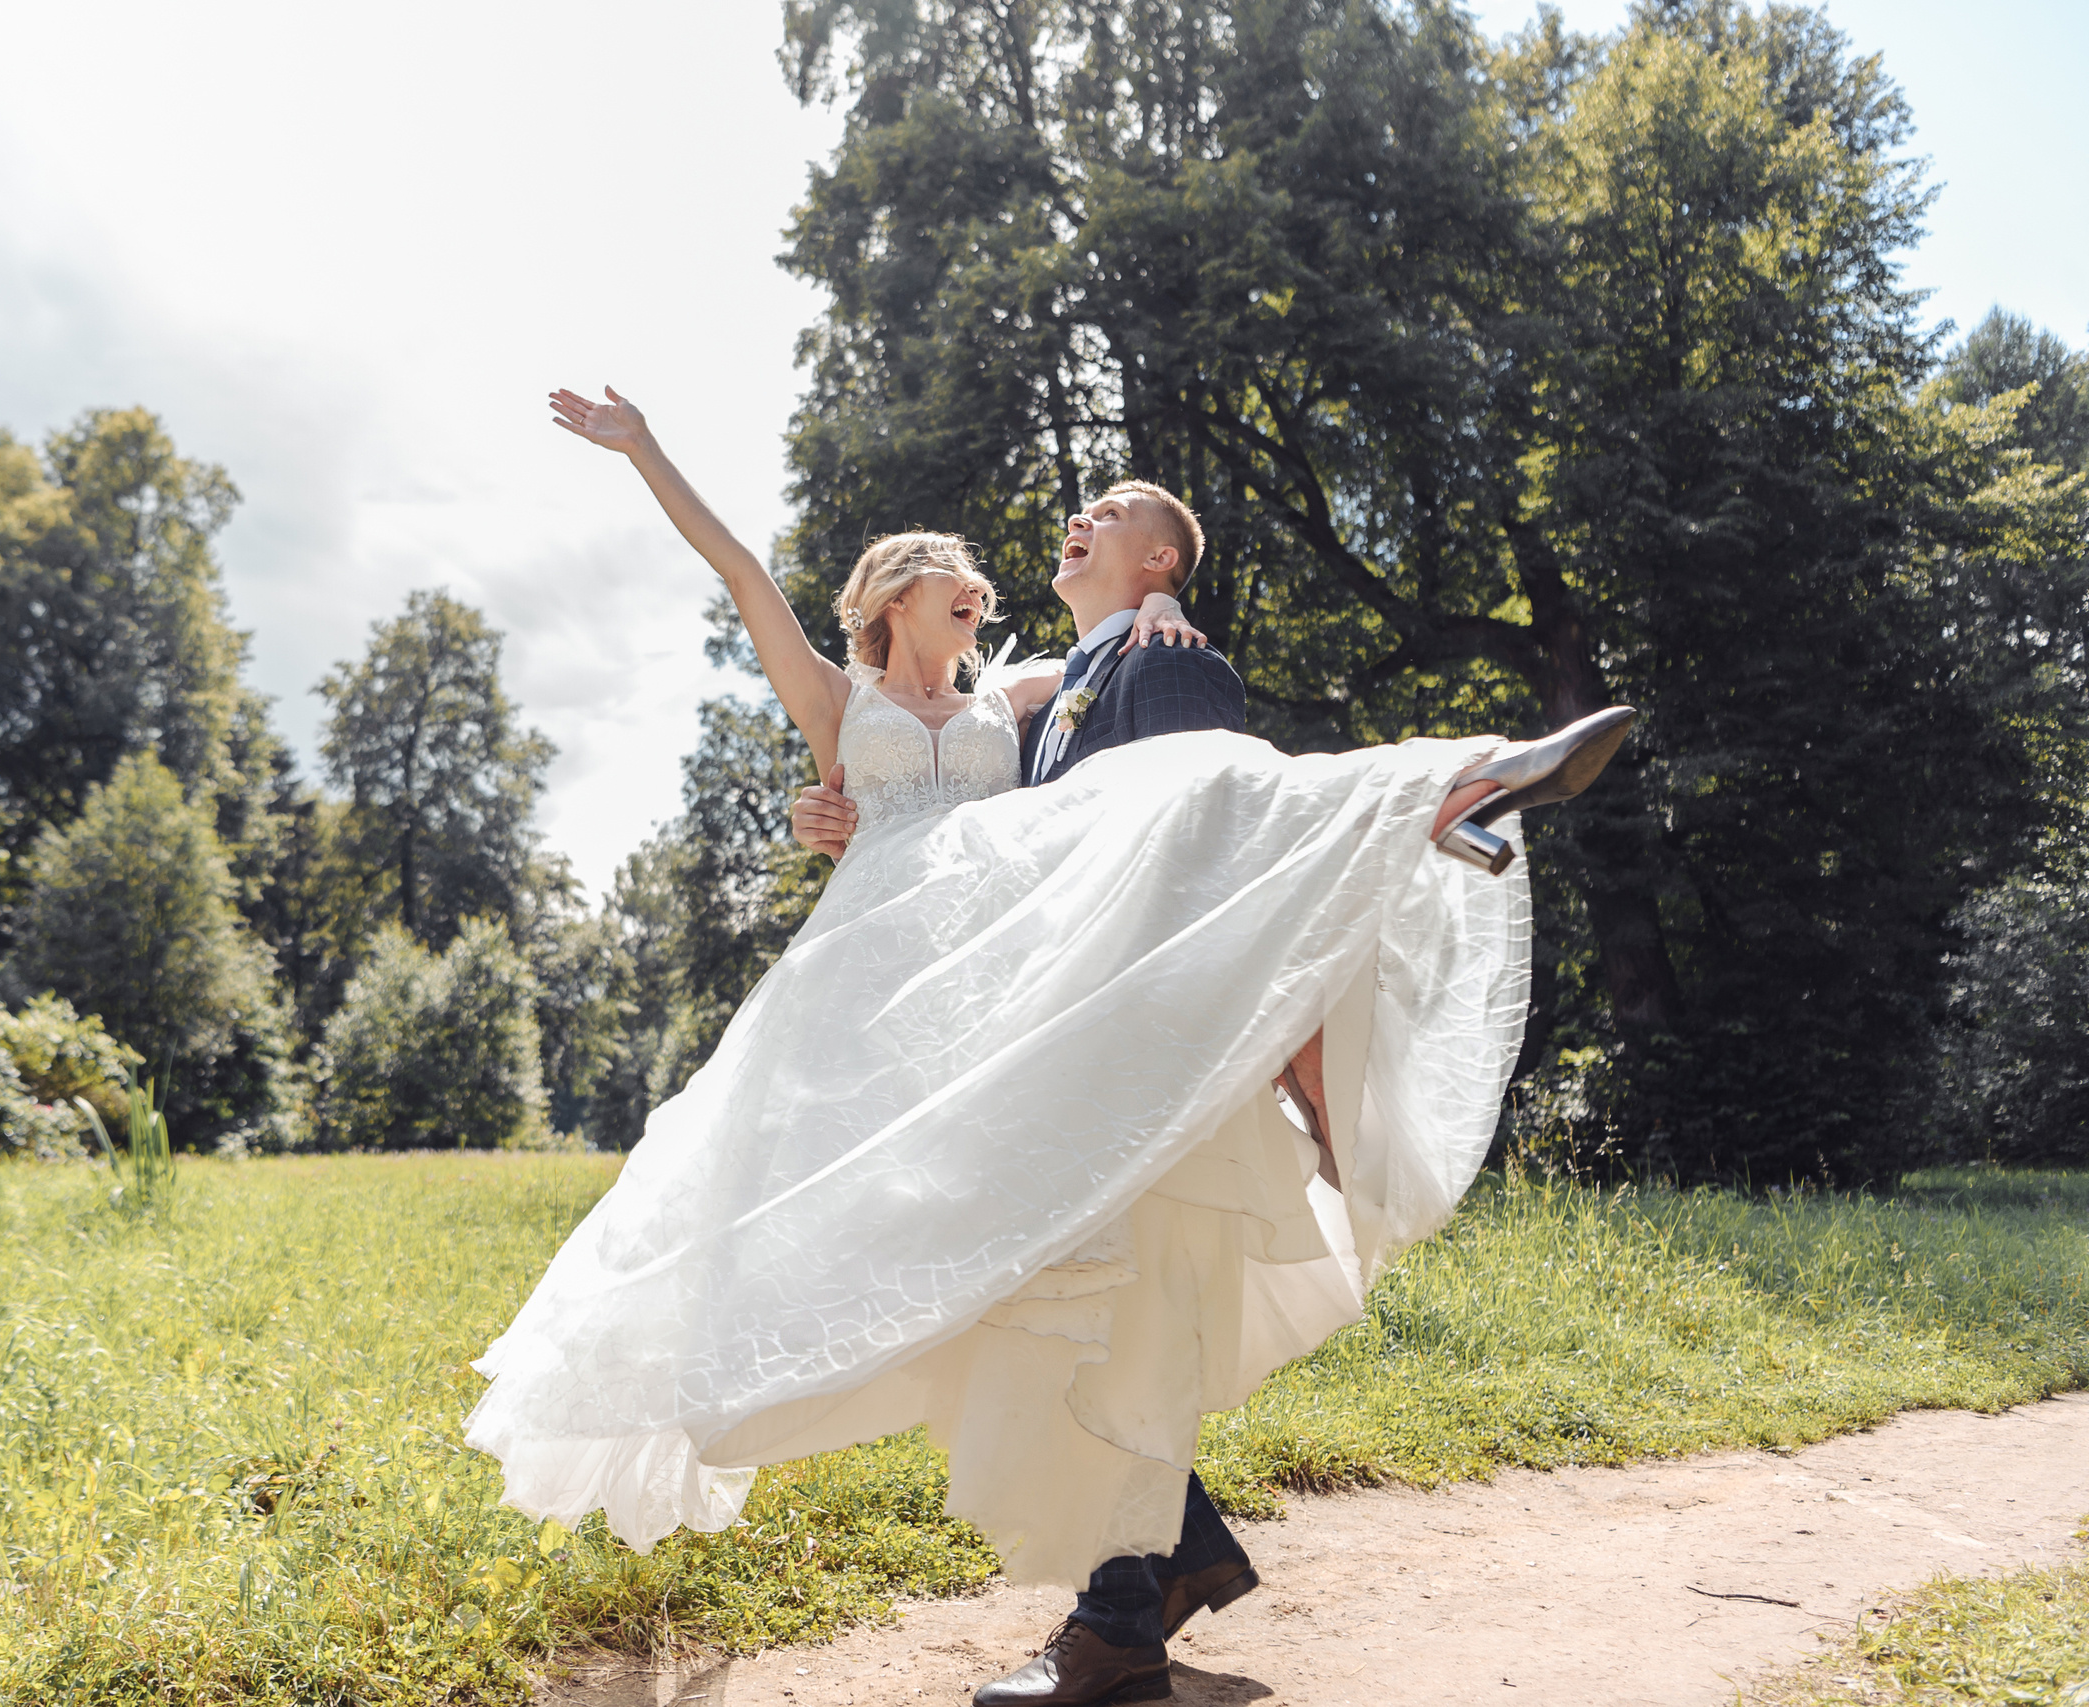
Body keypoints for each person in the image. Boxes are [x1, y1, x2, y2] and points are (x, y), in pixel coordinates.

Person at [466, 386, 1634, 1707]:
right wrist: (647, 452)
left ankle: (1452, 789)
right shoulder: (837, 702)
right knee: (926, 1255)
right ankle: (1159, 1559)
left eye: (979, 579)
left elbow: (1152, 750)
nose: (978, 584)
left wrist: (1144, 613)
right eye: (949, 578)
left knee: (1039, 1248)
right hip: (885, 994)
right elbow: (741, 571)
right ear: (893, 599)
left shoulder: (1010, 704)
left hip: (992, 984)